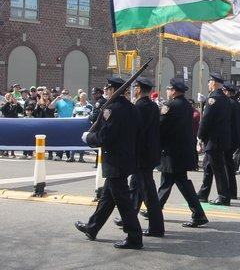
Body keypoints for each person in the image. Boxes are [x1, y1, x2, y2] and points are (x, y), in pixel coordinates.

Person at [75, 76, 143, 250]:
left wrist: (89, 137)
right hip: (127, 158)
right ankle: (93, 227)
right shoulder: (132, 108)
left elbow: (106, 137)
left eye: (108, 88)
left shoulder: (111, 109)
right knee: (107, 198)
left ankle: (134, 236)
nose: (106, 91)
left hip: (115, 161)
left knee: (123, 202)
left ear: (113, 90)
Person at [156, 78, 208, 227]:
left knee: (178, 182)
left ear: (173, 90)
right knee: (171, 181)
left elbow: (161, 126)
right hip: (183, 149)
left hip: (172, 150)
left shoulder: (170, 105)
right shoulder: (187, 105)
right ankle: (156, 208)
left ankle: (198, 214)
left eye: (168, 89)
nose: (167, 91)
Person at [122, 77, 164, 237]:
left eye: (135, 87)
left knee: (148, 192)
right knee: (135, 187)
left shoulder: (138, 107)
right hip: (150, 152)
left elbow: (135, 131)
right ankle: (130, 218)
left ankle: (156, 227)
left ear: (138, 89)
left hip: (142, 154)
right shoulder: (152, 106)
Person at [197, 73, 231, 206]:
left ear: (214, 83)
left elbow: (206, 120)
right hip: (220, 139)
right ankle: (203, 193)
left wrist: (199, 135)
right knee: (208, 167)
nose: (208, 84)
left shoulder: (213, 98)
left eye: (209, 81)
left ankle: (223, 196)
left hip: (213, 140)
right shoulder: (224, 98)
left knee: (218, 169)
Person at [222, 82, 240, 199]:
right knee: (229, 165)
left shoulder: (227, 104)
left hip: (227, 138)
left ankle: (228, 191)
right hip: (236, 138)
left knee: (226, 166)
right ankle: (232, 191)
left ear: (226, 91)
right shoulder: (239, 105)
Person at [49, 89, 75, 161]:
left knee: (68, 139)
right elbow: (50, 106)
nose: (65, 94)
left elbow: (78, 105)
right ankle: (58, 155)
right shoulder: (59, 101)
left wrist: (72, 99)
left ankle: (68, 155)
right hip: (60, 122)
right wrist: (57, 99)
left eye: (66, 93)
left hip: (70, 122)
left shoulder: (71, 101)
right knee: (60, 138)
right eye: (63, 93)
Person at [69, 92, 93, 163]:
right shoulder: (76, 105)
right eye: (81, 97)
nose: (82, 98)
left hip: (84, 125)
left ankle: (81, 157)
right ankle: (71, 156)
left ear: (86, 98)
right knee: (73, 140)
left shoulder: (90, 106)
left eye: (83, 97)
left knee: (82, 141)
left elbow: (91, 116)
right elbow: (73, 115)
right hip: (76, 125)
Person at [1, 93, 23, 157]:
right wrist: (8, 102)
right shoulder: (4, 104)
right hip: (7, 123)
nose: (10, 98)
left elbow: (21, 111)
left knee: (13, 137)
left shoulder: (16, 104)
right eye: (8, 97)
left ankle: (12, 152)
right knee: (6, 137)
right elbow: (3, 111)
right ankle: (6, 151)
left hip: (14, 123)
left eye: (11, 97)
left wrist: (16, 104)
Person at [89, 87, 107, 168]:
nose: (93, 95)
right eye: (93, 94)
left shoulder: (99, 102)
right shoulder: (105, 101)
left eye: (95, 94)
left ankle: (100, 161)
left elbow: (94, 116)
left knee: (94, 142)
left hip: (98, 125)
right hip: (103, 125)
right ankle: (98, 162)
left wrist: (89, 117)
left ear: (99, 93)